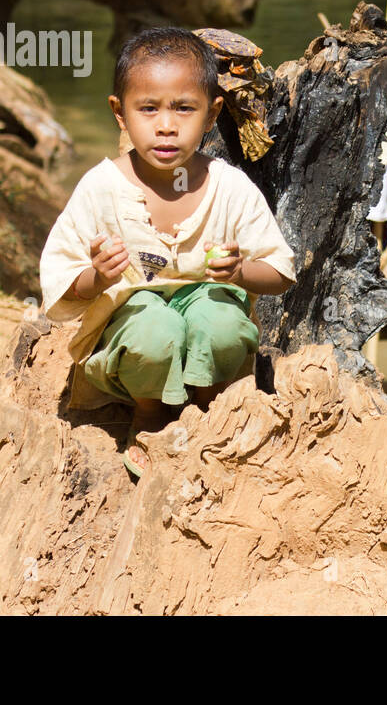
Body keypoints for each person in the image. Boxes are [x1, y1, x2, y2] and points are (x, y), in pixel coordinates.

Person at [39, 27, 297, 477]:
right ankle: (150, 413)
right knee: (153, 328)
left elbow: (280, 272)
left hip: (208, 322)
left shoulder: (229, 187)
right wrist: (98, 278)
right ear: (119, 114)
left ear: (212, 113)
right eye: (148, 108)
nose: (166, 125)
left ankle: (209, 404)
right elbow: (61, 283)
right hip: (131, 337)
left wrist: (238, 273)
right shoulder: (102, 188)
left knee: (220, 319)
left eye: (184, 108)